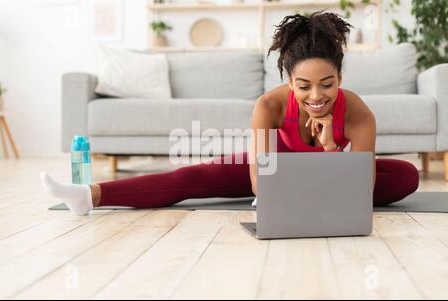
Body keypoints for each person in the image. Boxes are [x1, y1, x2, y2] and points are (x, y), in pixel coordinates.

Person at [40, 11, 419, 216]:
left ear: (340, 77)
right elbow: (260, 184)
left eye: (327, 84)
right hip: (273, 169)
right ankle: (88, 195)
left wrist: (332, 148)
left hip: (309, 178)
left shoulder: (357, 114)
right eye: (304, 86)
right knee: (191, 177)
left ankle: (313, 192)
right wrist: (312, 184)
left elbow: (361, 188)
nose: (316, 96)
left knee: (404, 175)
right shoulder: (269, 106)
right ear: (289, 80)